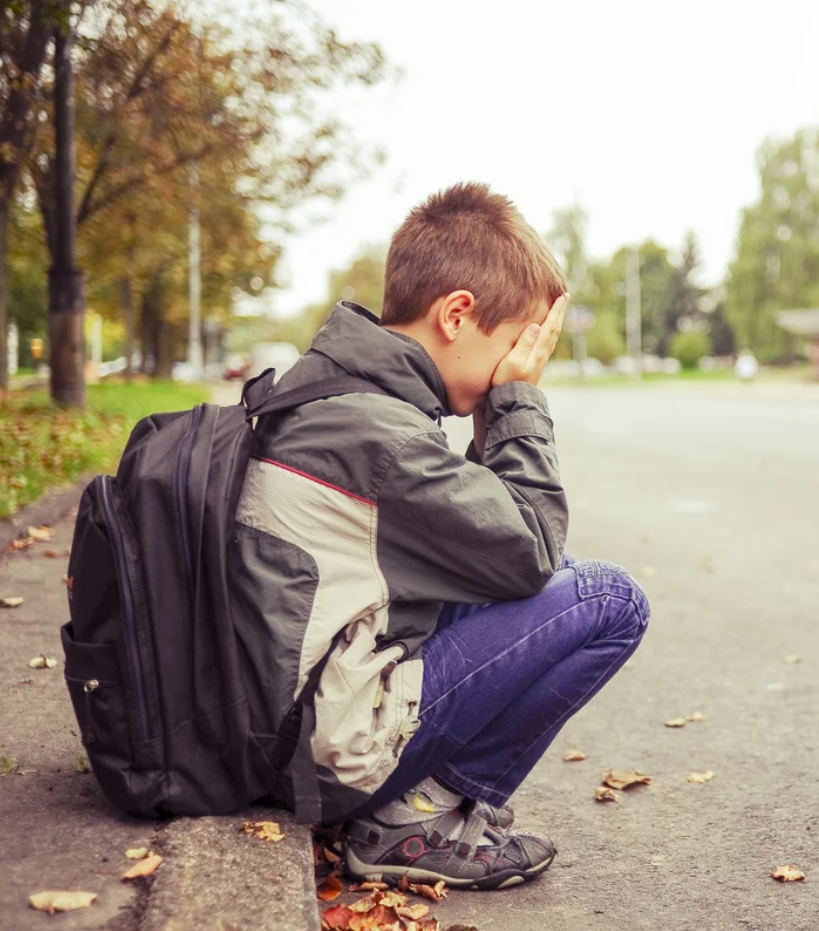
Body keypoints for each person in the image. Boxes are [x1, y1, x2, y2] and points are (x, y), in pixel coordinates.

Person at [234, 183, 650, 890]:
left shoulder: (331, 395)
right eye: (514, 341)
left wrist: (495, 417)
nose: (518, 363)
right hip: (323, 755)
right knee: (609, 600)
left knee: (564, 583)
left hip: (283, 726)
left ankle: (413, 804)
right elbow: (528, 550)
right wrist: (517, 401)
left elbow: (481, 549)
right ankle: (410, 818)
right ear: (458, 313)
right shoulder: (382, 435)